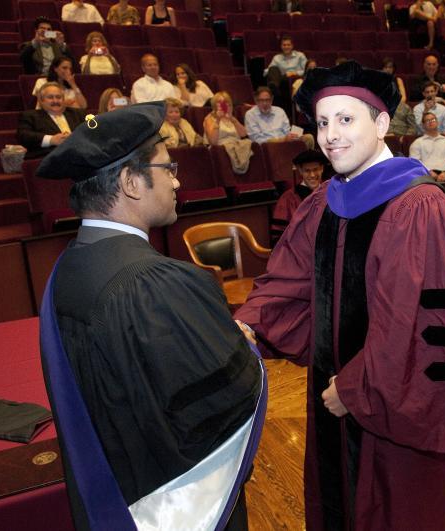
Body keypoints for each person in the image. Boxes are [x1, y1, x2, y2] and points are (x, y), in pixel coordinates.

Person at [234, 59, 445, 531]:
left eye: (346, 119)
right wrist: (248, 324)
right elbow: (289, 281)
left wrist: (355, 389)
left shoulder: (419, 206)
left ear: (382, 123)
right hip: (331, 396)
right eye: (323, 122)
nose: (330, 135)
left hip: (394, 406)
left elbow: (414, 323)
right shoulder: (323, 203)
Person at [35, 101, 265, 531]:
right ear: (130, 182)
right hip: (173, 503)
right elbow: (223, 404)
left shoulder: (69, 268)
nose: (178, 180)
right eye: (167, 167)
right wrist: (241, 345)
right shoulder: (156, 283)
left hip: (120, 492)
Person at [17, 82, 87, 159]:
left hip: (81, 155)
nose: (55, 101)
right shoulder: (31, 116)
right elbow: (24, 136)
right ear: (41, 100)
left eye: (58, 97)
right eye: (50, 97)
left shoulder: (78, 113)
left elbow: (91, 132)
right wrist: (51, 140)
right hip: (51, 158)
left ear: (63, 100)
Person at [270, 149, 326, 244]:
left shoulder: (331, 193)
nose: (312, 175)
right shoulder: (288, 199)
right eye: (307, 171)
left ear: (322, 169)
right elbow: (279, 237)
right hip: (299, 254)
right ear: (300, 171)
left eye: (315, 169)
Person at [244, 86, 315, 149]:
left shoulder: (279, 111)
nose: (265, 103)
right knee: (271, 141)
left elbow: (287, 131)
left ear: (272, 100)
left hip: (286, 142)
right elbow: (257, 140)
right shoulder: (250, 115)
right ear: (256, 100)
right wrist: (282, 140)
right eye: (261, 100)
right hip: (268, 145)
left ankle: (307, 162)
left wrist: (293, 136)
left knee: (309, 137)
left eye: (267, 100)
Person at [204, 91, 253, 174]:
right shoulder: (209, 118)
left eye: (228, 103)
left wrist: (232, 119)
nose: (225, 106)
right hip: (220, 150)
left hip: (236, 147)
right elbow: (213, 142)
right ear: (214, 106)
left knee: (249, 144)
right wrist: (218, 120)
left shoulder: (232, 118)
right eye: (220, 103)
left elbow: (244, 134)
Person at [409, 111, 445, 182]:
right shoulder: (417, 143)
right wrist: (429, 172)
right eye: (427, 121)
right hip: (426, 174)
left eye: (433, 119)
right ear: (423, 125)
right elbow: (415, 163)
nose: (431, 122)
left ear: (437, 122)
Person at [265, 35, 307, 108]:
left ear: (292, 46)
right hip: (282, 80)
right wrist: (269, 72)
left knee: (279, 80)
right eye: (284, 45)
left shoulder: (300, 56)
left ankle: (275, 90)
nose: (286, 47)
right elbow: (268, 71)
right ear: (281, 46)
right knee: (273, 68)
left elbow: (307, 70)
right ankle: (275, 88)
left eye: (288, 45)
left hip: (295, 80)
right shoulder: (277, 58)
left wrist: (295, 73)